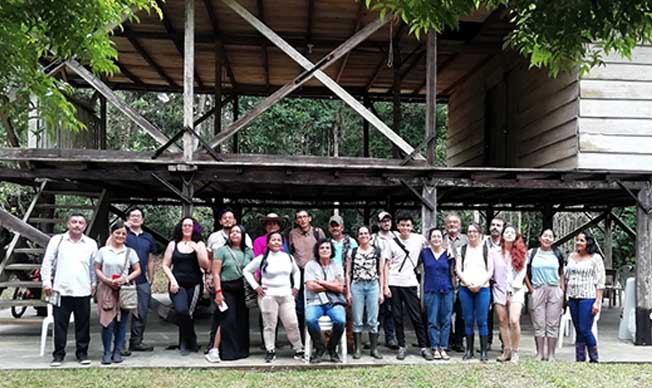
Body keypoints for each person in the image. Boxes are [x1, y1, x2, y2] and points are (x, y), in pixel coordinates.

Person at [41, 213, 98, 367]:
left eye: (80, 222)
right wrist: (47, 282)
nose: (77, 225)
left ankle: (82, 353)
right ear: (68, 224)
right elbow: (47, 262)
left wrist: (94, 284)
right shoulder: (57, 241)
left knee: (83, 324)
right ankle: (58, 355)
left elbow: (94, 267)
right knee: (60, 324)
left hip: (83, 290)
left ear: (85, 226)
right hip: (61, 290)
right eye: (74, 222)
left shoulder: (91, 243)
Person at [243, 231, 304, 363]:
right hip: (268, 296)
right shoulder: (262, 258)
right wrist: (256, 287)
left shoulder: (288, 257)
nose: (276, 242)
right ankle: (270, 350)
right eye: (273, 240)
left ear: (282, 243)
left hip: (286, 295)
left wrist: (296, 287)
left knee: (292, 323)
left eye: (279, 240)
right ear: (268, 243)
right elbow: (246, 271)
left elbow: (296, 271)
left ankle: (299, 348)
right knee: (269, 325)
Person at [161, 217, 210, 355]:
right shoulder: (173, 244)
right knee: (181, 310)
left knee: (189, 313)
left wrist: (198, 251)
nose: (187, 228)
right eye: (185, 225)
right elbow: (165, 265)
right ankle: (191, 338)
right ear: (181, 227)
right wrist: (173, 280)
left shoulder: (199, 243)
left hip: (194, 284)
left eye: (190, 225)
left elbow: (206, 266)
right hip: (177, 284)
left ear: (194, 228)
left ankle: (184, 342)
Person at [94, 221, 142, 364]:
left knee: (122, 322)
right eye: (118, 233)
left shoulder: (130, 252)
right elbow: (97, 268)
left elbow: (138, 270)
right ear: (112, 233)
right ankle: (107, 352)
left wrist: (126, 278)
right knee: (107, 322)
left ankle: (118, 351)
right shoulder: (103, 251)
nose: (120, 236)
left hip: (123, 291)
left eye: (123, 234)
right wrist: (106, 280)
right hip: (106, 289)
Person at [388, 212, 432, 360]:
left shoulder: (419, 239)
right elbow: (386, 263)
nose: (405, 228)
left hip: (410, 282)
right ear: (397, 226)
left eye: (408, 225)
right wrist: (384, 286)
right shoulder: (391, 241)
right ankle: (401, 346)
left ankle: (424, 346)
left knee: (416, 316)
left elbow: (432, 247)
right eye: (402, 225)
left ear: (412, 226)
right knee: (397, 316)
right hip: (394, 282)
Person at [206, 224, 253, 363]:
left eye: (238, 232)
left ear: (243, 235)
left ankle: (239, 350)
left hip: (242, 289)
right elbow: (215, 272)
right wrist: (218, 292)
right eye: (232, 232)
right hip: (226, 288)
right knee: (227, 319)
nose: (234, 234)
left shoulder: (249, 252)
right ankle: (215, 349)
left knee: (241, 320)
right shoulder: (221, 251)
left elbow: (254, 270)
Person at [565, 230, 606, 363]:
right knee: (578, 330)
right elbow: (566, 276)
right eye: (577, 240)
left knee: (585, 328)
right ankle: (580, 359)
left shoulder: (595, 258)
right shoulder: (571, 256)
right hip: (572, 296)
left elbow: (600, 281)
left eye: (582, 240)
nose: (578, 243)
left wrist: (598, 302)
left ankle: (594, 358)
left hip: (588, 297)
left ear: (588, 242)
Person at [524, 228, 565, 361]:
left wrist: (561, 290)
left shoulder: (557, 254)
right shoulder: (532, 253)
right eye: (545, 236)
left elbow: (561, 272)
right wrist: (531, 290)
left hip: (554, 289)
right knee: (539, 322)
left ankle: (551, 354)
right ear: (540, 238)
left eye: (550, 236)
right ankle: (540, 353)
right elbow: (523, 271)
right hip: (537, 288)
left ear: (553, 239)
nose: (547, 238)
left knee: (553, 323)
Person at [304, 239, 347, 363]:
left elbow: (340, 288)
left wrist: (321, 282)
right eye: (322, 248)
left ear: (332, 251)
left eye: (327, 248)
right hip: (315, 301)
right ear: (317, 251)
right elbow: (311, 286)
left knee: (340, 320)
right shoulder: (310, 265)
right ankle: (320, 348)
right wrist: (332, 285)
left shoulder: (337, 266)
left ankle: (332, 347)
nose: (325, 250)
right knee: (310, 320)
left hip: (334, 302)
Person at [456, 223, 494, 362]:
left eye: (475, 231)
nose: (472, 234)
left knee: (482, 320)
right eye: (469, 231)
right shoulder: (462, 249)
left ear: (480, 233)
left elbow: (490, 270)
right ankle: (469, 350)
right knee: (468, 319)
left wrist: (479, 284)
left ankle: (483, 352)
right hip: (465, 288)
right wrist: (467, 283)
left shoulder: (487, 249)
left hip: (483, 288)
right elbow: (458, 269)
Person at [346, 225, 385, 359]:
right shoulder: (352, 252)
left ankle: (374, 349)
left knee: (373, 319)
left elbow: (381, 272)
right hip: (357, 285)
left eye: (365, 233)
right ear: (357, 237)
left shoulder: (377, 252)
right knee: (357, 318)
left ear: (370, 236)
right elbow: (348, 273)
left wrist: (381, 291)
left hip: (373, 285)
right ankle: (357, 349)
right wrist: (348, 292)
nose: (363, 236)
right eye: (361, 234)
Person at [287, 209, 326, 340]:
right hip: (298, 272)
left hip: (315, 273)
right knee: (299, 306)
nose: (302, 220)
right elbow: (291, 253)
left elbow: (324, 250)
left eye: (304, 217)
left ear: (310, 218)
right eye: (299, 217)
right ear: (296, 220)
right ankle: (302, 339)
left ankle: (318, 337)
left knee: (317, 303)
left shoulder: (318, 232)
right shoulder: (292, 234)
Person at [123, 208, 157, 354]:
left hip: (142, 279)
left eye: (138, 216)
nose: (135, 218)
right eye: (132, 216)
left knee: (141, 312)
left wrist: (151, 277)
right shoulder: (122, 234)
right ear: (128, 218)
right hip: (123, 280)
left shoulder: (148, 237)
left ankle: (136, 341)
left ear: (142, 220)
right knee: (122, 312)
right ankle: (120, 344)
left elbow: (150, 259)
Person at [492, 225, 527, 363]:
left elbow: (522, 274)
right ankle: (506, 350)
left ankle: (515, 351)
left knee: (514, 320)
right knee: (502, 321)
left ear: (516, 235)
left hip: (516, 290)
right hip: (499, 289)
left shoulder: (523, 253)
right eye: (507, 232)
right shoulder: (495, 252)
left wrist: (512, 289)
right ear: (502, 234)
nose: (509, 234)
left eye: (512, 232)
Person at [419, 228, 455, 360]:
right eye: (433, 236)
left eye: (439, 236)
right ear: (429, 239)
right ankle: (434, 347)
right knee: (432, 320)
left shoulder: (448, 254)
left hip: (447, 290)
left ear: (442, 239)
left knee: (446, 320)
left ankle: (443, 347)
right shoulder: (424, 253)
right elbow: (414, 266)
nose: (436, 239)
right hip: (430, 290)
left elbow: (454, 271)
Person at [371, 211, 400, 350]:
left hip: (392, 277)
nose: (386, 223)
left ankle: (391, 337)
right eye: (383, 221)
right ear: (378, 223)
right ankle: (373, 338)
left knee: (390, 309)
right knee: (375, 310)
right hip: (375, 278)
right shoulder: (373, 239)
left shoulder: (397, 237)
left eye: (388, 220)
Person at [328, 214, 357, 350]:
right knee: (332, 310)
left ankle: (350, 342)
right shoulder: (326, 243)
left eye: (337, 225)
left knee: (350, 312)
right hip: (332, 282)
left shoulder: (351, 242)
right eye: (332, 226)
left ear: (342, 227)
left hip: (348, 281)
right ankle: (331, 342)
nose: (335, 228)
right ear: (329, 228)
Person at [443, 213, 468, 353]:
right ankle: (447, 340)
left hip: (463, 281)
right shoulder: (440, 239)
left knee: (462, 313)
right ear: (445, 225)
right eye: (449, 222)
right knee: (446, 313)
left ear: (459, 225)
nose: (452, 225)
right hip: (446, 282)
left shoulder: (466, 239)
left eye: (455, 222)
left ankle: (459, 341)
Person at [484, 217, 505, 351]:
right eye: (493, 225)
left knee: (503, 315)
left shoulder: (507, 244)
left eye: (498, 225)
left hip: (501, 283)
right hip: (486, 282)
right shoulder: (483, 243)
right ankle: (487, 342)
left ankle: (505, 342)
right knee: (486, 313)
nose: (495, 227)